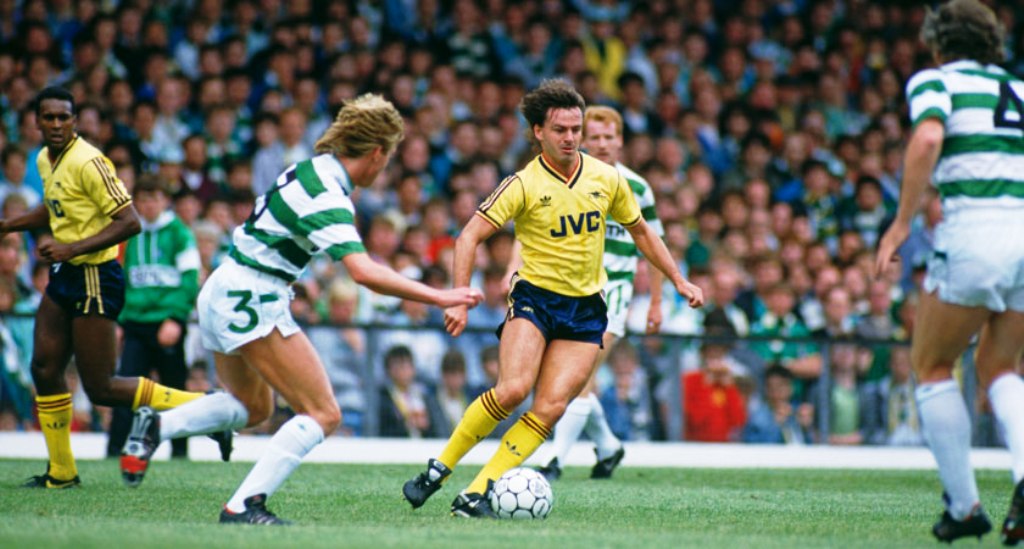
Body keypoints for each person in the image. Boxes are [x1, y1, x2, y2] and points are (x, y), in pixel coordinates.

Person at [118, 94, 482, 525]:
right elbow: (362, 272)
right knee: (324, 413)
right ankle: (244, 504)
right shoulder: (329, 195)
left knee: (253, 408)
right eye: (390, 155)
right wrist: (440, 296)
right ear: (378, 152)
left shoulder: (308, 170)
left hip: (224, 285)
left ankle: (157, 426)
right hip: (253, 295)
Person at [402, 80, 703, 518]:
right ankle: (438, 469)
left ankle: (479, 491)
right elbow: (469, 235)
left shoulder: (607, 178)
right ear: (538, 131)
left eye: (576, 128)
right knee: (512, 390)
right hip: (535, 299)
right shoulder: (523, 184)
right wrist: (457, 297)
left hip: (586, 309)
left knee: (552, 407)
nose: (571, 138)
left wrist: (678, 279)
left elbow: (642, 231)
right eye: (561, 129)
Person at [1, 87, 205, 488]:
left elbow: (129, 221)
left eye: (64, 117)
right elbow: (56, 205)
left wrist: (69, 247)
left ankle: (208, 409)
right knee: (44, 367)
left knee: (102, 387)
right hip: (67, 272)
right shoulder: (44, 159)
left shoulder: (90, 162)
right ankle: (61, 472)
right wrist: (11, 224)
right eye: (49, 118)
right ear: (36, 123)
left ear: (75, 121)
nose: (57, 124)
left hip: (95, 273)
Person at [874, 1, 1024, 542]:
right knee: (1000, 364)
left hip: (975, 227)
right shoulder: (1019, 89)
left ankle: (963, 506)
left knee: (932, 364)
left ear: (937, 42)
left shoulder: (936, 80)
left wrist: (900, 224)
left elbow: (930, 137)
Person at [535, 105, 664, 481]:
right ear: (582, 141)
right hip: (570, 292)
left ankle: (551, 460)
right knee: (568, 379)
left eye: (610, 137)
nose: (603, 144)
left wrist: (656, 300)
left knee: (580, 375)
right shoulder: (565, 182)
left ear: (621, 141)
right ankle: (608, 446)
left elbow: (654, 245)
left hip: (615, 295)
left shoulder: (638, 188)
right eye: (596, 137)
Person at [106, 174, 210, 460]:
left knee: (173, 387)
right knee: (125, 387)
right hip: (136, 323)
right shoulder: (130, 235)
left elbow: (189, 280)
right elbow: (121, 279)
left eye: (154, 198)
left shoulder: (180, 233)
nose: (149, 205)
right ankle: (114, 450)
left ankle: (179, 453)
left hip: (167, 324)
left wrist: (176, 318)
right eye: (143, 199)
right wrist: (120, 320)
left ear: (165, 201)